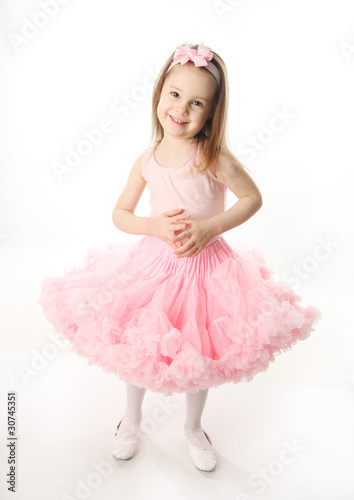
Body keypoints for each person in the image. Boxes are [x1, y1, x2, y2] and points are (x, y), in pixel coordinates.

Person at [38, 42, 321, 472]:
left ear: (211, 113)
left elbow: (252, 197)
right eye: (174, 95)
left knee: (198, 351)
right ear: (158, 93)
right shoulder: (147, 160)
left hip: (206, 271)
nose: (181, 110)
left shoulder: (212, 156)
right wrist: (152, 226)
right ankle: (130, 419)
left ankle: (193, 426)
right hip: (153, 267)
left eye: (196, 103)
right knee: (140, 347)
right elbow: (120, 214)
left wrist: (209, 228)